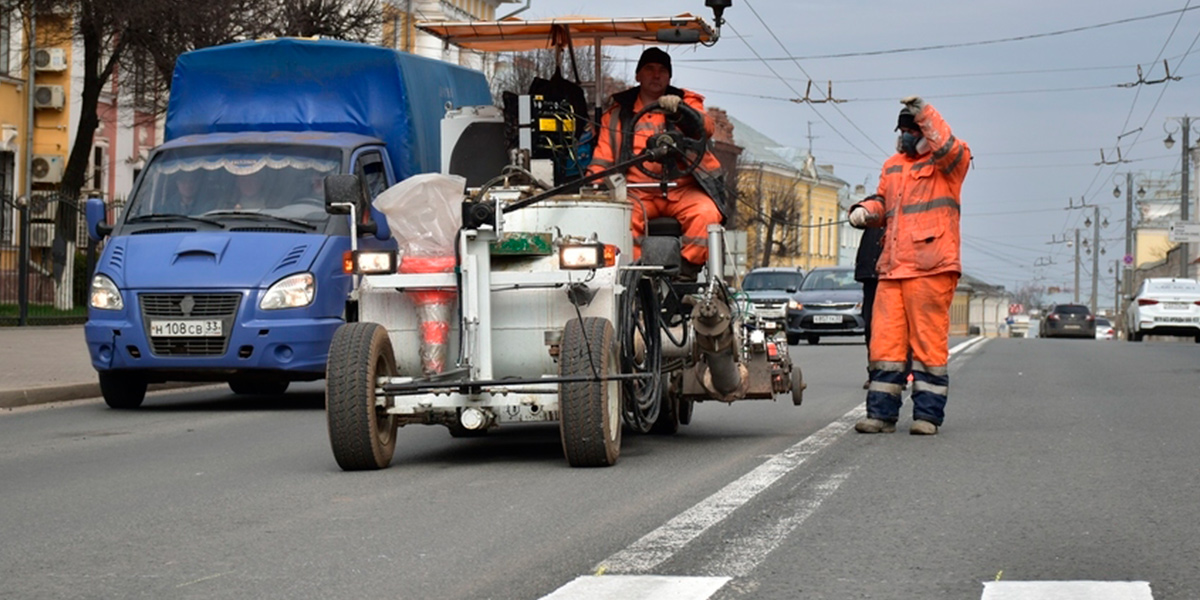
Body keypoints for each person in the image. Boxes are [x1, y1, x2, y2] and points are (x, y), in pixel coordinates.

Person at [847, 95, 970, 435]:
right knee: (884, 346)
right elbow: (883, 202)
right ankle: (881, 415)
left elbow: (948, 146)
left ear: (924, 131)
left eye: (909, 129)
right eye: (900, 130)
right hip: (892, 268)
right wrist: (864, 211)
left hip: (932, 267)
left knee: (928, 345)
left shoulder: (951, 161)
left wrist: (926, 114)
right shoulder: (892, 165)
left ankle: (927, 416)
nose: (903, 136)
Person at [586, 47, 725, 279]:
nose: (656, 75)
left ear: (669, 77)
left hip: (683, 191)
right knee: (621, 219)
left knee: (707, 214)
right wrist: (595, 188)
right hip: (636, 193)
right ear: (638, 75)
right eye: (649, 69)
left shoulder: (686, 103)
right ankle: (637, 278)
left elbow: (706, 128)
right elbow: (603, 158)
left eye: (662, 70)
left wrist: (681, 111)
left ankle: (684, 274)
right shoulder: (617, 115)